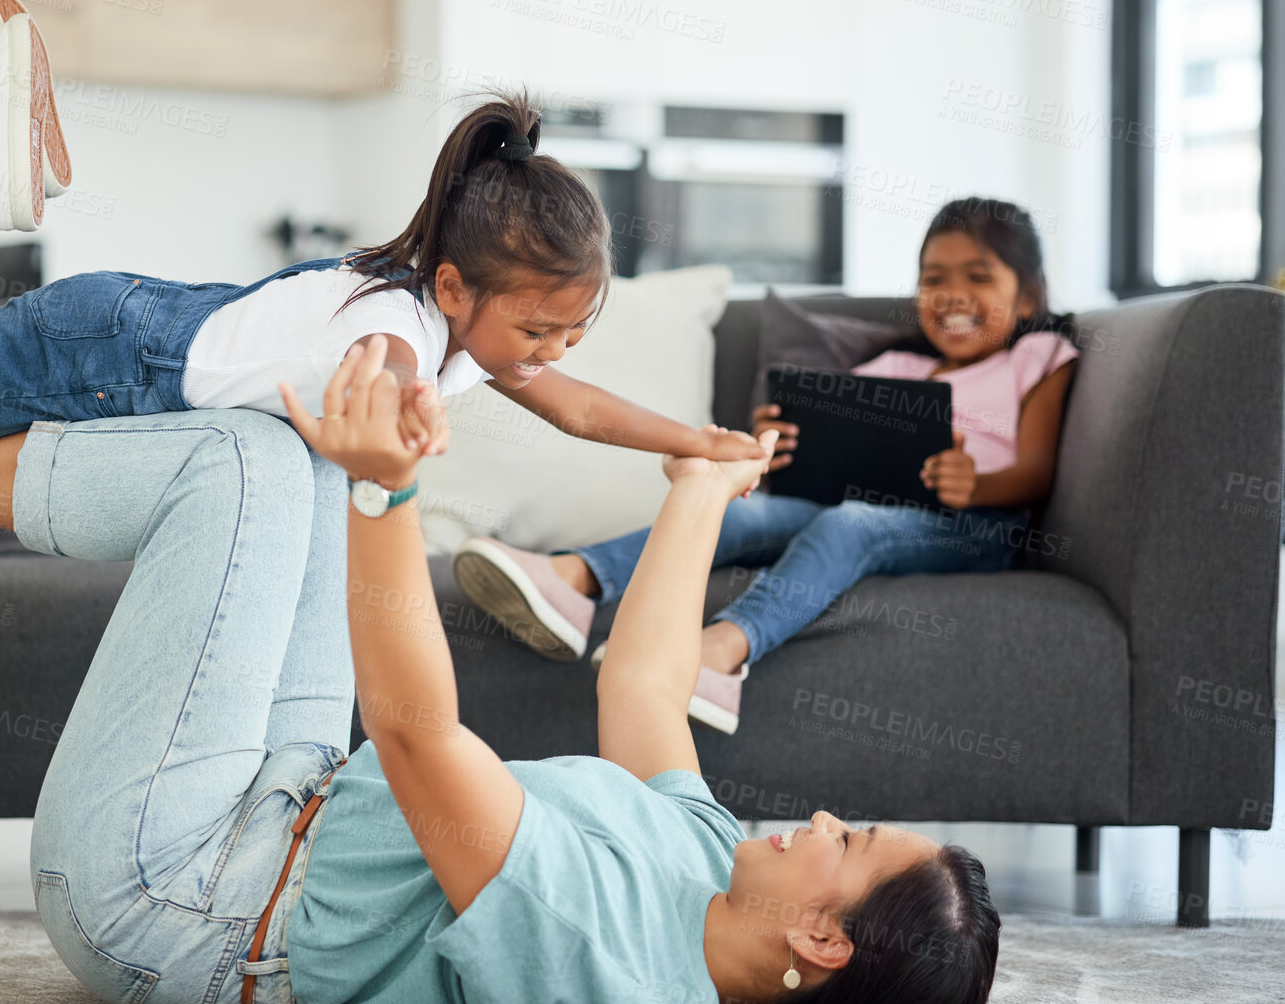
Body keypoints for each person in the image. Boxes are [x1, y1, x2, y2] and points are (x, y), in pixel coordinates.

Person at [0, 334, 1000, 1004]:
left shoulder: (614, 961)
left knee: (241, 470)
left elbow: (417, 740)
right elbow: (648, 691)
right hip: (289, 795)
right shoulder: (715, 870)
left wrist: (392, 499)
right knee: (300, 434)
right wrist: (704, 486)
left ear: (822, 939)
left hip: (177, 896)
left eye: (845, 841)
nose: (817, 819)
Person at [0, 0, 761, 583]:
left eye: (569, 334)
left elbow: (579, 407)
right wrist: (403, 415)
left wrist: (694, 440)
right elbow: (380, 369)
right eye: (541, 331)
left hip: (124, 339)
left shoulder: (457, 328)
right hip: (108, 359)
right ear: (457, 288)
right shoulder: (404, 328)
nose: (553, 356)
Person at [453, 197, 1078, 735]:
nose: (954, 296)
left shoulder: (1039, 355)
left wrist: (979, 486)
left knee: (851, 525)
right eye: (935, 277)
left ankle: (721, 655)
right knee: (753, 513)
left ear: (1028, 296)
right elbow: (837, 450)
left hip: (977, 528)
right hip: (866, 506)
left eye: (979, 278)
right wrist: (774, 446)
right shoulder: (897, 370)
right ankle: (575, 579)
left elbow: (1040, 470)